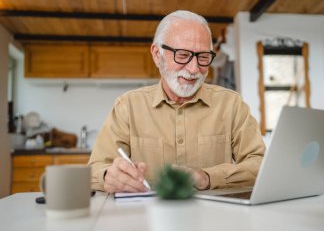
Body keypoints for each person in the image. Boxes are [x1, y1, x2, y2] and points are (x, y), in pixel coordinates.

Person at [88, 10, 265, 193]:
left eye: (203, 57)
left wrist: (207, 177)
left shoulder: (232, 104)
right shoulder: (127, 106)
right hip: (146, 218)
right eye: (182, 55)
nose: (194, 68)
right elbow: (95, 168)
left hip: (215, 219)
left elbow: (260, 164)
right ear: (157, 55)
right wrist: (108, 175)